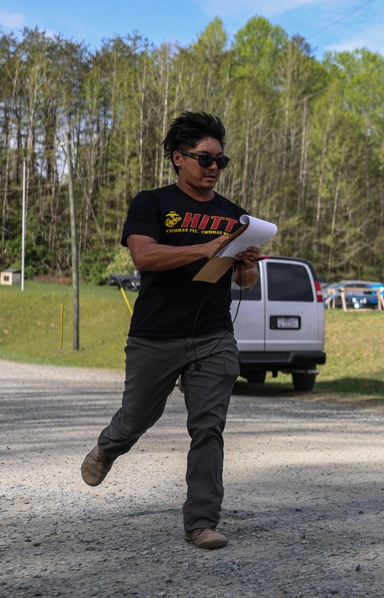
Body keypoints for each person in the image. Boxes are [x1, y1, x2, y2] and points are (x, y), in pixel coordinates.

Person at [81, 112, 261, 550]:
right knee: (137, 419)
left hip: (213, 334)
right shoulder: (152, 203)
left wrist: (247, 265)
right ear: (179, 158)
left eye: (221, 160)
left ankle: (201, 522)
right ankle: (109, 446)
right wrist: (205, 247)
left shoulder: (232, 214)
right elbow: (144, 258)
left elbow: (245, 284)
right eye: (204, 158)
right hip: (156, 334)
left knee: (208, 428)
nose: (214, 167)